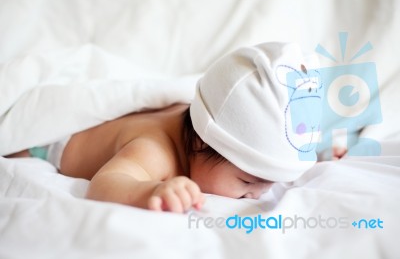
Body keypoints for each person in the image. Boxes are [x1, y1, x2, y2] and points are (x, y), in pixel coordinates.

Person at [6, 42, 327, 213]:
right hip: (54, 143)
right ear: (202, 143)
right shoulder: (154, 152)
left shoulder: (207, 115)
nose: (260, 192)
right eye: (247, 179)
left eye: (272, 181)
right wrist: (149, 190)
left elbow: (277, 133)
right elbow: (104, 184)